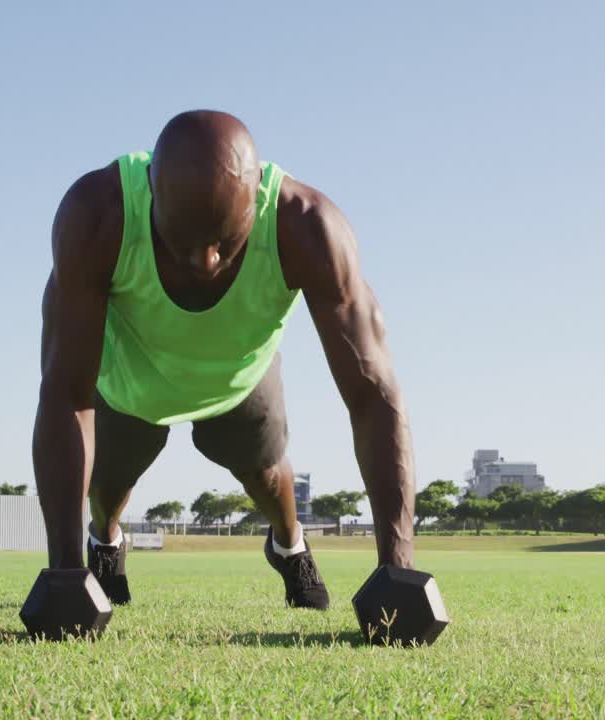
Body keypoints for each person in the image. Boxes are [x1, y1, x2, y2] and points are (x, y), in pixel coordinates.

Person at [32, 110, 415, 610]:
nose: (207, 261)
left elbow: (373, 394)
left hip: (240, 380)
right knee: (106, 488)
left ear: (256, 198)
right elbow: (65, 393)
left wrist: (399, 571)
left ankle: (290, 546)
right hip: (131, 384)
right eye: (184, 242)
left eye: (225, 240)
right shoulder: (97, 213)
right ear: (151, 192)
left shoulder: (308, 227)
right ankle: (104, 543)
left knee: (268, 476)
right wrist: (64, 576)